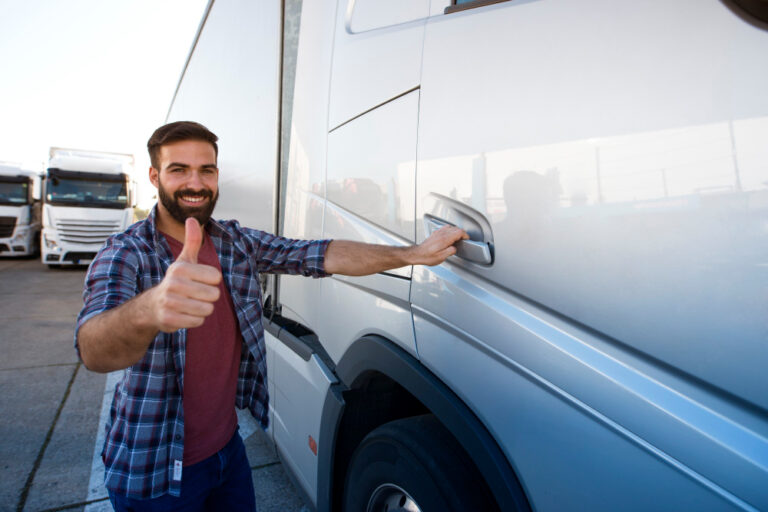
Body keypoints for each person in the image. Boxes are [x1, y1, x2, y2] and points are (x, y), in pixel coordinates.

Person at [75, 121, 467, 512]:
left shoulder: (234, 241)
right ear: (154, 176)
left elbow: (319, 254)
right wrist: (151, 308)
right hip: (156, 471)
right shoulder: (126, 253)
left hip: (227, 453)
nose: (195, 183)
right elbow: (94, 349)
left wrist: (412, 254)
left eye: (206, 170)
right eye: (179, 169)